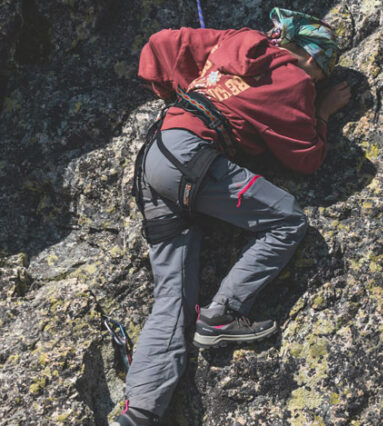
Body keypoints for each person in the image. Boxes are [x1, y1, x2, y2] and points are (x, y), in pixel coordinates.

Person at [111, 7, 351, 426]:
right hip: (190, 158)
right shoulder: (294, 78)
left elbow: (160, 46)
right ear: (311, 58)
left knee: (172, 298)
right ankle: (221, 314)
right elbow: (306, 157)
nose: (321, 77)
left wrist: (182, 94)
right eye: (324, 68)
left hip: (156, 156)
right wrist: (324, 112)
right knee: (287, 220)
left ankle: (138, 415)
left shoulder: (232, 41)